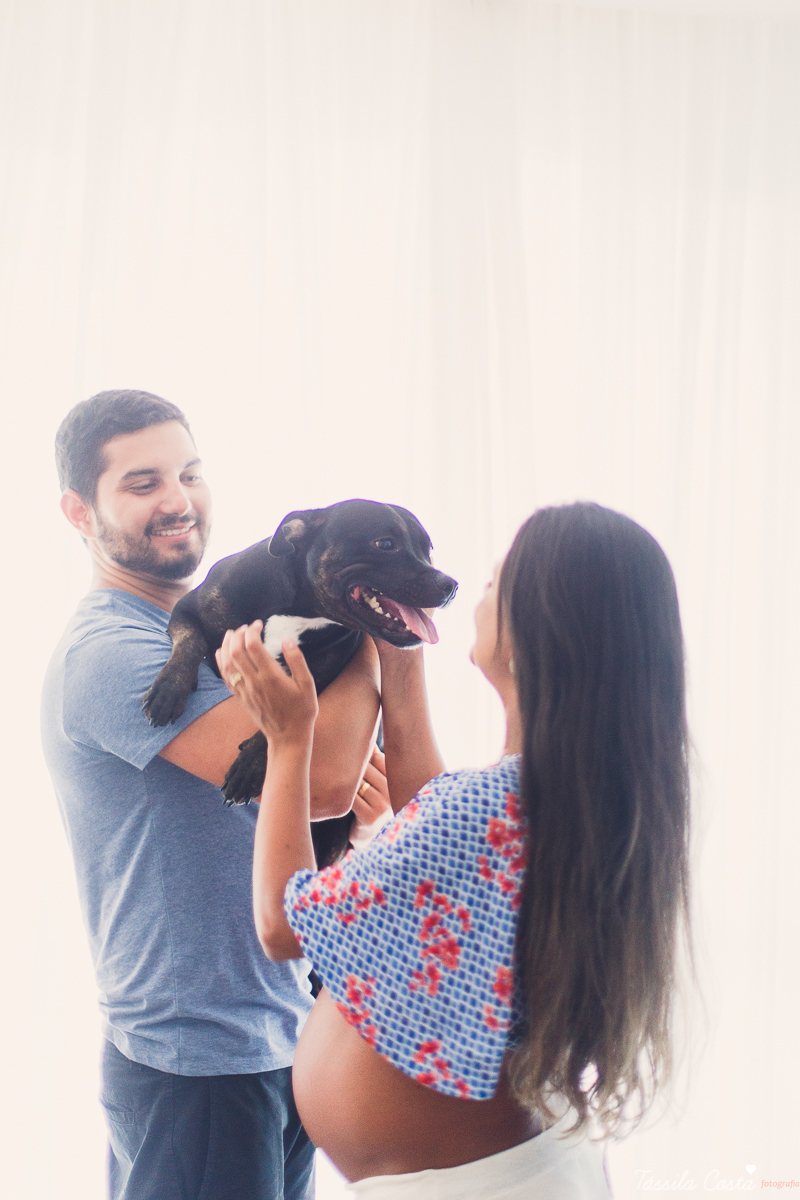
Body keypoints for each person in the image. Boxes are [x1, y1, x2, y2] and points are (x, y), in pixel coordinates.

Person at [216, 501, 691, 1199]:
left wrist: (289, 738)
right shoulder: (570, 796)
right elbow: (440, 818)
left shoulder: (489, 805)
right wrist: (400, 654)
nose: (473, 593)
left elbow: (282, 926)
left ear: (537, 636)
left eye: (497, 583)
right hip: (512, 1168)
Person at [41, 389, 384, 1200]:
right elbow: (327, 776)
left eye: (190, 473)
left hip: (275, 1033)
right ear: (77, 511)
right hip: (196, 1059)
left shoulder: (229, 639)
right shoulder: (113, 655)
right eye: (142, 483)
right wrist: (370, 624)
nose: (178, 501)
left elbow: (317, 789)